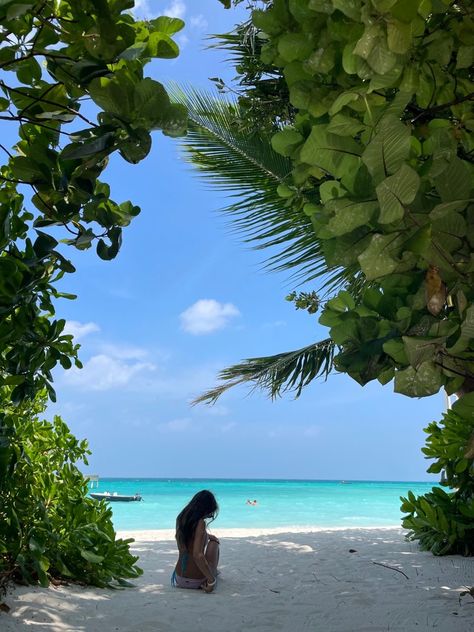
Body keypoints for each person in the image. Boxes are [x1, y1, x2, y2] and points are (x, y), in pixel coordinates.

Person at [171, 490, 220, 592]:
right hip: (197, 580)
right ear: (205, 509)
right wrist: (211, 581)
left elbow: (189, 536)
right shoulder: (200, 523)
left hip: (179, 578)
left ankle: (212, 573)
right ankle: (213, 574)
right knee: (214, 543)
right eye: (210, 514)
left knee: (212, 539)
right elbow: (197, 555)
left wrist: (207, 535)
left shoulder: (180, 518)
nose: (209, 516)